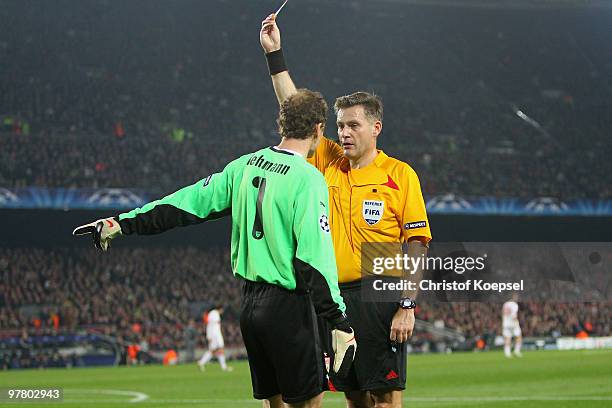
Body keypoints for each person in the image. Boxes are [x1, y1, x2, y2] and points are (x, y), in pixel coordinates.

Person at [73, 89, 356, 408]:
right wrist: (338, 320)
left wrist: (122, 222)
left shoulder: (245, 166)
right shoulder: (308, 178)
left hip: (251, 307)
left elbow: (186, 203)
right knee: (305, 403)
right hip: (288, 307)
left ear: (282, 125)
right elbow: (313, 259)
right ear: (319, 129)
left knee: (272, 403)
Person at [260, 16, 432, 408]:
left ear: (376, 128)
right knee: (354, 397)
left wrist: (407, 306)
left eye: (353, 125)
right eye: (339, 125)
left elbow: (417, 244)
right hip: (334, 300)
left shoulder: (399, 174)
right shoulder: (329, 161)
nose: (344, 133)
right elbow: (295, 109)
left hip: (379, 295)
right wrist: (274, 54)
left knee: (385, 398)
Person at [197, 306, 233, 371]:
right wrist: (209, 336)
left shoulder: (213, 314)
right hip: (215, 335)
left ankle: (202, 363)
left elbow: (209, 325)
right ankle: (202, 362)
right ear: (220, 309)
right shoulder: (214, 314)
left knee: (217, 350)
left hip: (215, 334)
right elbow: (210, 325)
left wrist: (209, 335)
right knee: (215, 350)